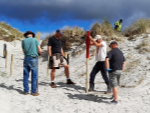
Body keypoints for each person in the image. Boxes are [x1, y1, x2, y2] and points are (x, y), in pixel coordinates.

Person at [22, 31, 42, 96]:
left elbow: (23, 51)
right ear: (32, 35)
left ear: (26, 35)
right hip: (33, 58)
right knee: (34, 76)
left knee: (25, 75)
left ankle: (26, 91)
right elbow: (39, 49)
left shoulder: (23, 41)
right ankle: (33, 92)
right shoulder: (35, 40)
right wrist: (40, 53)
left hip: (26, 58)